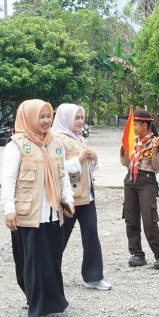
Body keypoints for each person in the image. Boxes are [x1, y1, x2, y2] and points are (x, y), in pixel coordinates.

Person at [2, 99, 73, 317]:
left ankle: (52, 303)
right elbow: (9, 180)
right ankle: (36, 308)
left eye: (48, 116)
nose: (46, 121)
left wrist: (68, 201)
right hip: (28, 215)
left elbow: (62, 177)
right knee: (32, 262)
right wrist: (9, 210)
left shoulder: (56, 143)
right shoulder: (17, 145)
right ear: (29, 117)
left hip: (53, 213)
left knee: (52, 260)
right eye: (41, 116)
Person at [53, 103, 110, 289]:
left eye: (81, 117)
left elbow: (90, 167)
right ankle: (48, 274)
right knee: (60, 238)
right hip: (69, 198)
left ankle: (94, 277)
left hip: (87, 196)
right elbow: (58, 169)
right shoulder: (57, 139)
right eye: (76, 118)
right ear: (66, 118)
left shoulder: (80, 138)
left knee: (91, 234)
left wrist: (93, 157)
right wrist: (80, 158)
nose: (80, 121)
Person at [119, 108, 159, 269]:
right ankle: (137, 254)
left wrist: (155, 150)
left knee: (149, 220)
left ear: (145, 125)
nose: (134, 127)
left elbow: (157, 167)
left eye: (136, 124)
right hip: (130, 179)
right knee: (131, 218)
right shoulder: (132, 140)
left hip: (146, 180)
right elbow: (125, 163)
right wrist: (124, 150)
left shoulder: (156, 141)